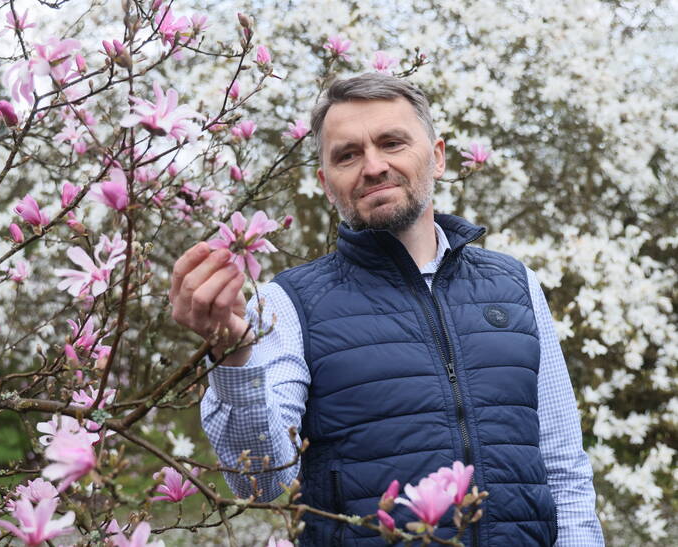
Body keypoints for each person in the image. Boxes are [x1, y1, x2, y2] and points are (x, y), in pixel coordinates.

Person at [170, 73, 604, 546]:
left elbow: (565, 471)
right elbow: (259, 480)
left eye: (392, 142)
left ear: (437, 157)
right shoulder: (288, 303)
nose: (373, 166)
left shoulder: (514, 284)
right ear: (325, 183)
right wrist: (234, 357)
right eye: (347, 155)